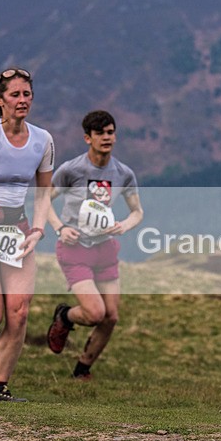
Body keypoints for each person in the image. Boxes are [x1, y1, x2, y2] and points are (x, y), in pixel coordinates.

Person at [0, 68, 53, 401]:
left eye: (27, 94)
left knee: (19, 312)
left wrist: (38, 229)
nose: (22, 101)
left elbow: (44, 192)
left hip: (17, 231)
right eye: (15, 95)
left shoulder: (42, 140)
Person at [46, 110, 143, 380]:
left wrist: (125, 225)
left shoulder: (123, 173)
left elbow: (137, 212)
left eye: (110, 132)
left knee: (110, 316)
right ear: (88, 138)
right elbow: (43, 201)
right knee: (94, 312)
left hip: (106, 249)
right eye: (100, 133)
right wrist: (60, 228)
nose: (107, 137)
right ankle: (65, 316)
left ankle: (82, 369)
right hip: (75, 250)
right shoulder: (72, 170)